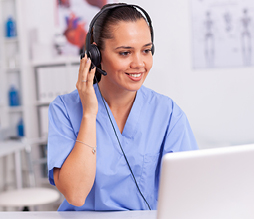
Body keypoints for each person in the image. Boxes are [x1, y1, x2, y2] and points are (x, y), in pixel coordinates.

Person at [48, 3, 198, 211]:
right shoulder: (64, 110)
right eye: (125, 53)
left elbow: (190, 190)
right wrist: (89, 115)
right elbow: (75, 194)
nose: (139, 63)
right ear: (95, 55)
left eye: (146, 50)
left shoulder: (168, 113)